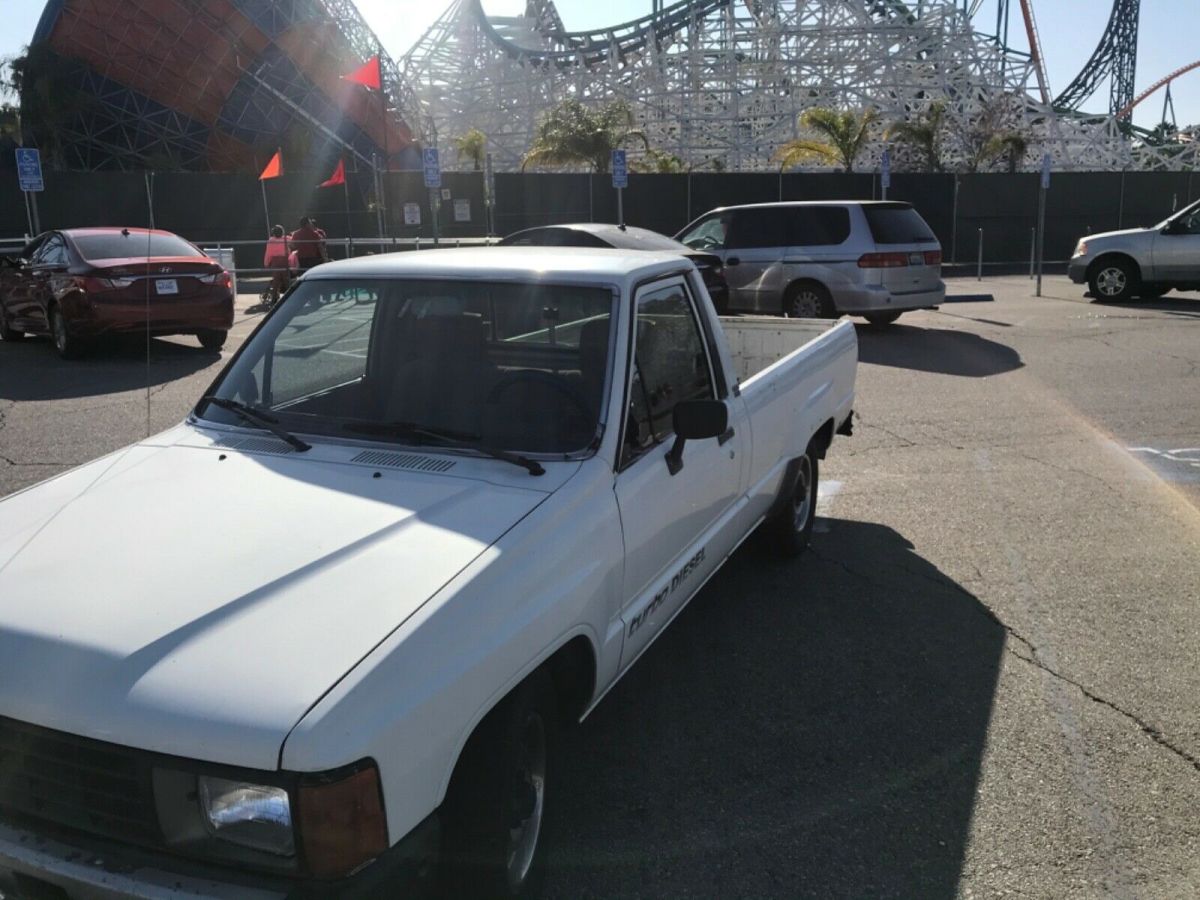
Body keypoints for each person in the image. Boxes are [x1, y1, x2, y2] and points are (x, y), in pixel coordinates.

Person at [262, 225, 290, 305]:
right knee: (286, 281)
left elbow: (268, 253)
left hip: (275, 262)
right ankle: (289, 297)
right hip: (285, 261)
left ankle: (274, 298)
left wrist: (266, 263)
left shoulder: (271, 241)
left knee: (276, 281)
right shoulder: (286, 239)